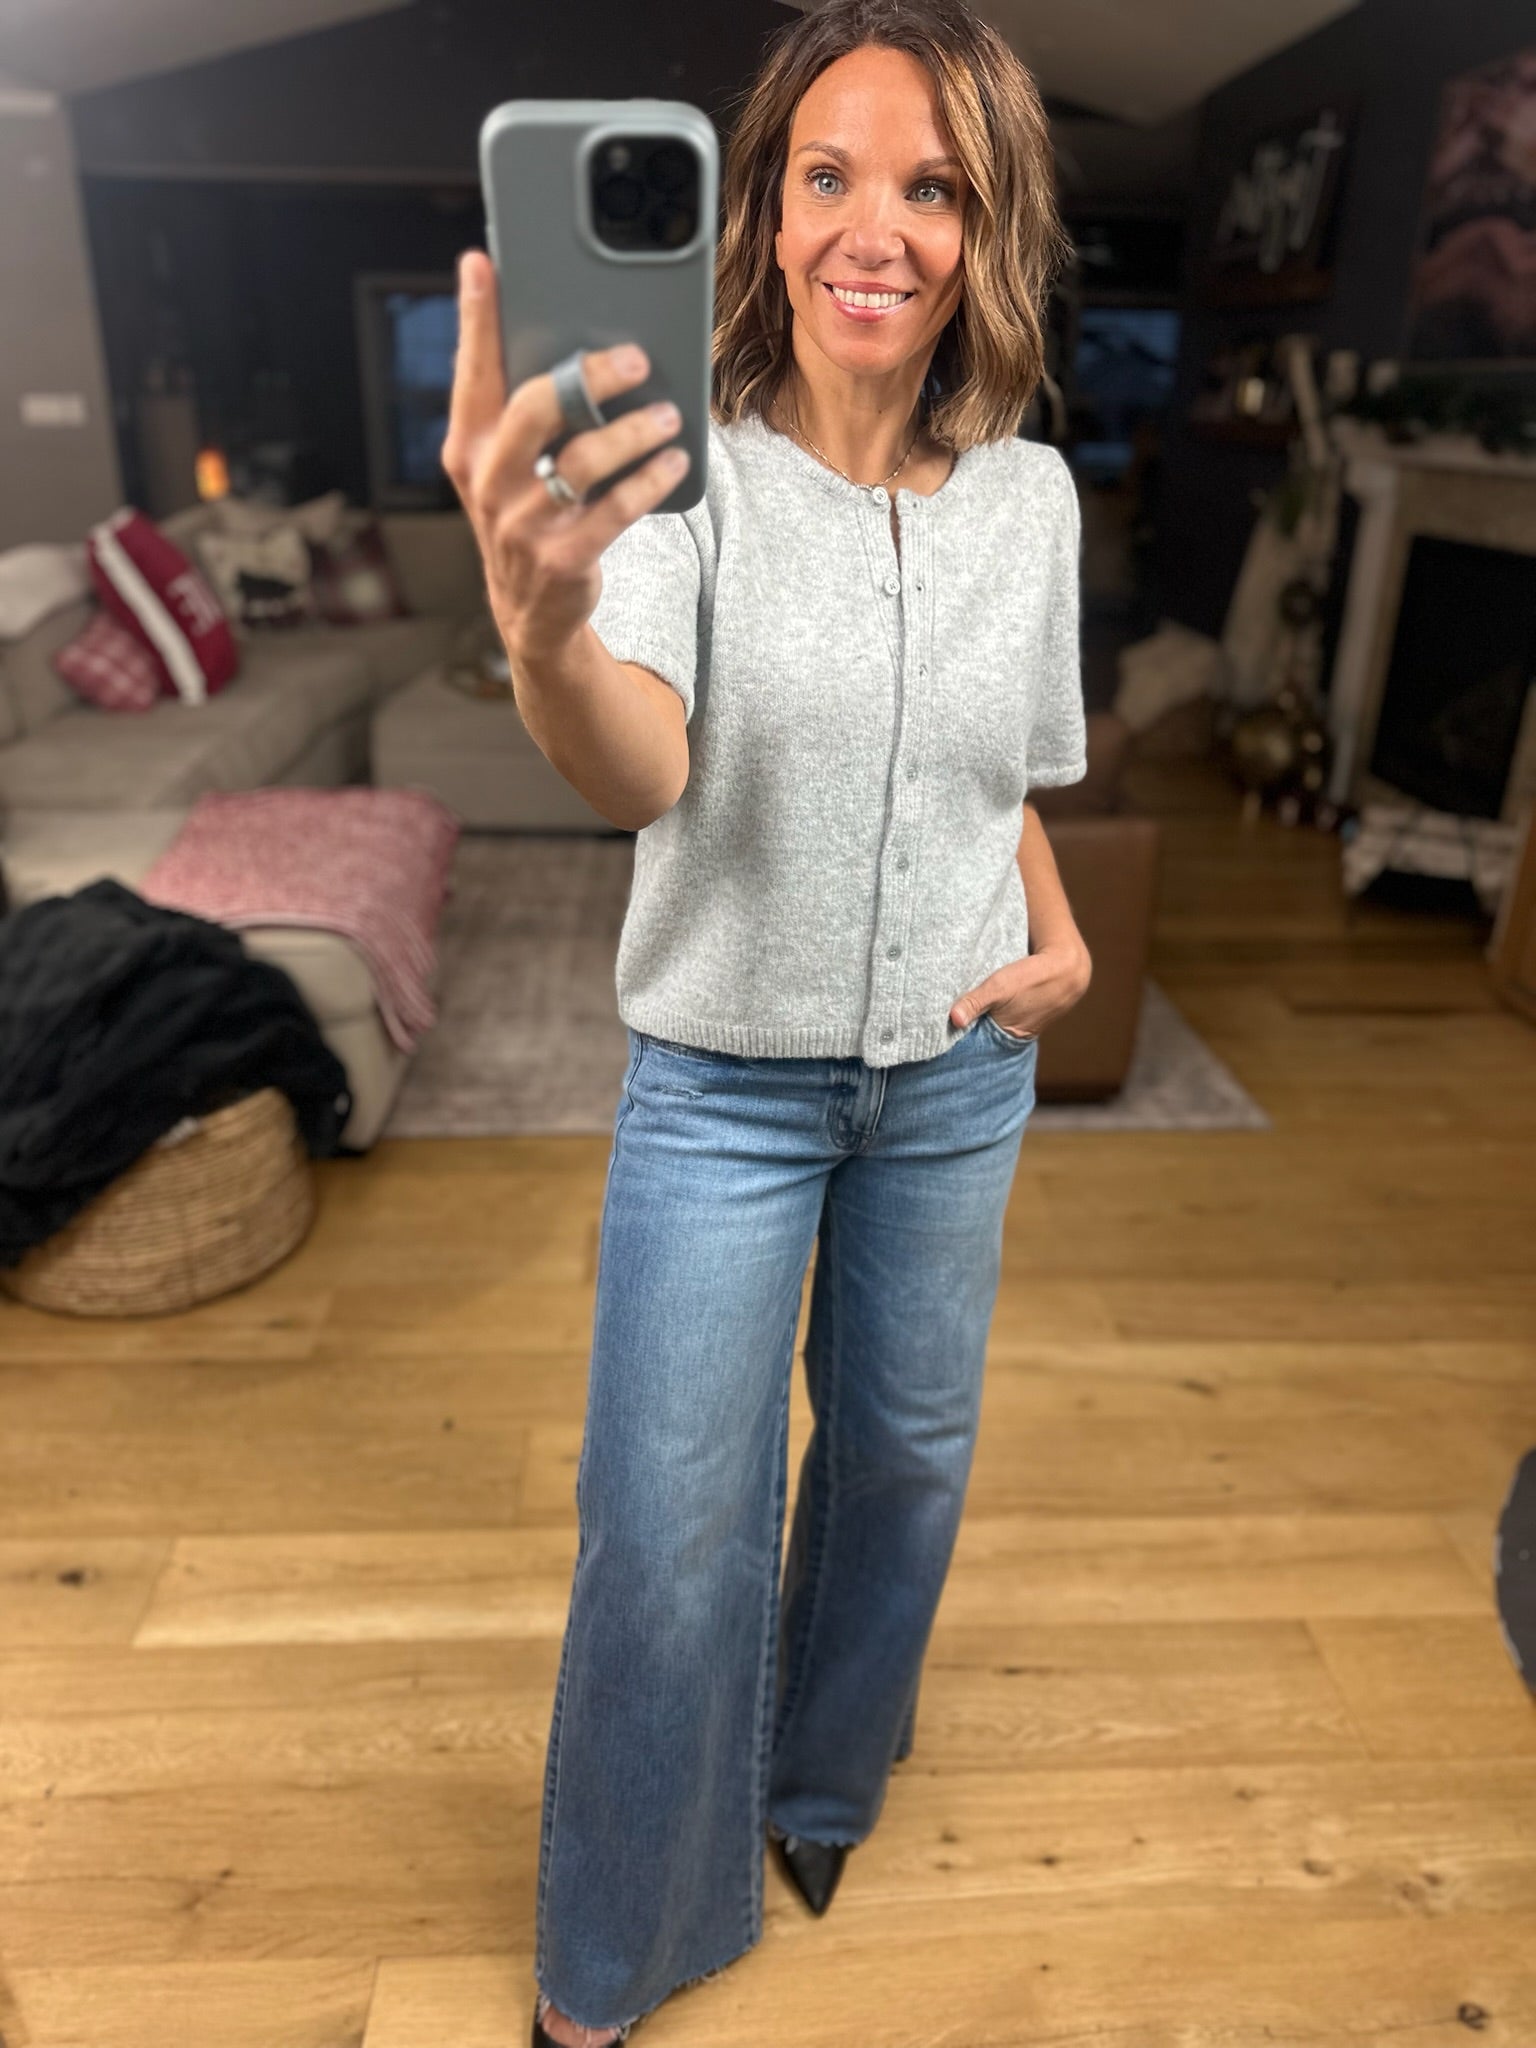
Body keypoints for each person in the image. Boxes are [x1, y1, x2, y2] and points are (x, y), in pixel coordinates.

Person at [441, 1, 1091, 2039]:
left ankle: (819, 1785)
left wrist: (1061, 938)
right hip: (724, 1087)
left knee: (902, 1460)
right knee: (668, 1523)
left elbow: (1008, 778)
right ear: (767, 213)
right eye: (828, 175)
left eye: (931, 185)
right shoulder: (685, 480)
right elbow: (639, 764)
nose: (874, 227)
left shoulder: (1033, 502)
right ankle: (615, 1952)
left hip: (958, 1078)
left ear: (985, 231)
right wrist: (543, 623)